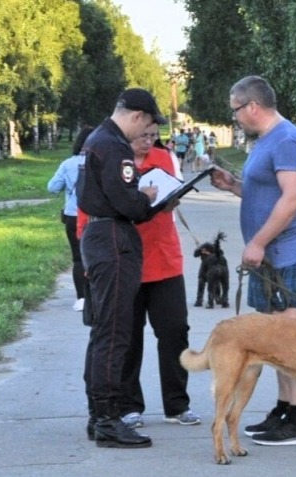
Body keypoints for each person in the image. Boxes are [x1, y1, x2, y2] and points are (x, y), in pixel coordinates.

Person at [210, 75, 296, 446]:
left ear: (252, 106)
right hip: (268, 256)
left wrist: (257, 242)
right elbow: (268, 192)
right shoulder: (268, 141)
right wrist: (234, 186)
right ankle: (283, 410)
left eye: (236, 109)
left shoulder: (286, 140)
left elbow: (292, 200)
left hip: (283, 254)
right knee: (272, 339)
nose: (235, 117)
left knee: (290, 341)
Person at [77, 88, 163, 449]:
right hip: (113, 237)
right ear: (138, 116)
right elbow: (127, 202)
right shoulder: (114, 146)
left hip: (100, 234)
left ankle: (99, 415)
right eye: (147, 124)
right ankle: (109, 418)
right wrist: (147, 198)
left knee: (103, 331)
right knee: (115, 332)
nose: (146, 132)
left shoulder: (97, 138)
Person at [118, 123, 201, 430]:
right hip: (126, 259)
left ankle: (177, 404)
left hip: (165, 258)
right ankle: (128, 406)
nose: (149, 142)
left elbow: (173, 195)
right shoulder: (113, 159)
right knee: (128, 335)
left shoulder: (163, 157)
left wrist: (171, 198)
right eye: (143, 136)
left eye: (154, 136)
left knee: (175, 330)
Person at [47, 126, 94, 312]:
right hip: (96, 216)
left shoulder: (68, 164)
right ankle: (97, 295)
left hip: (73, 216)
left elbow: (52, 187)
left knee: (78, 258)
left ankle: (81, 298)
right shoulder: (101, 161)